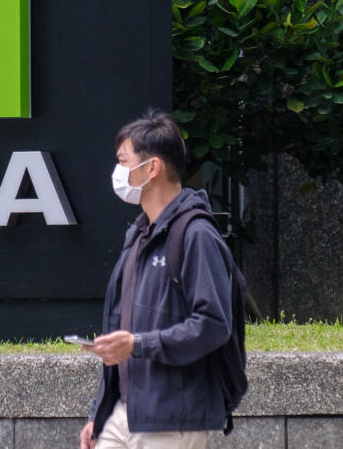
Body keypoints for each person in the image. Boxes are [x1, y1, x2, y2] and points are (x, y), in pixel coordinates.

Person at [79, 109, 233, 449]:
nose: (117, 172)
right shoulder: (138, 236)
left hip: (172, 419)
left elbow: (213, 325)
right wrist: (99, 413)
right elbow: (122, 326)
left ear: (152, 169)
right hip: (124, 414)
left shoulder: (196, 235)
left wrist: (138, 344)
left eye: (123, 161)